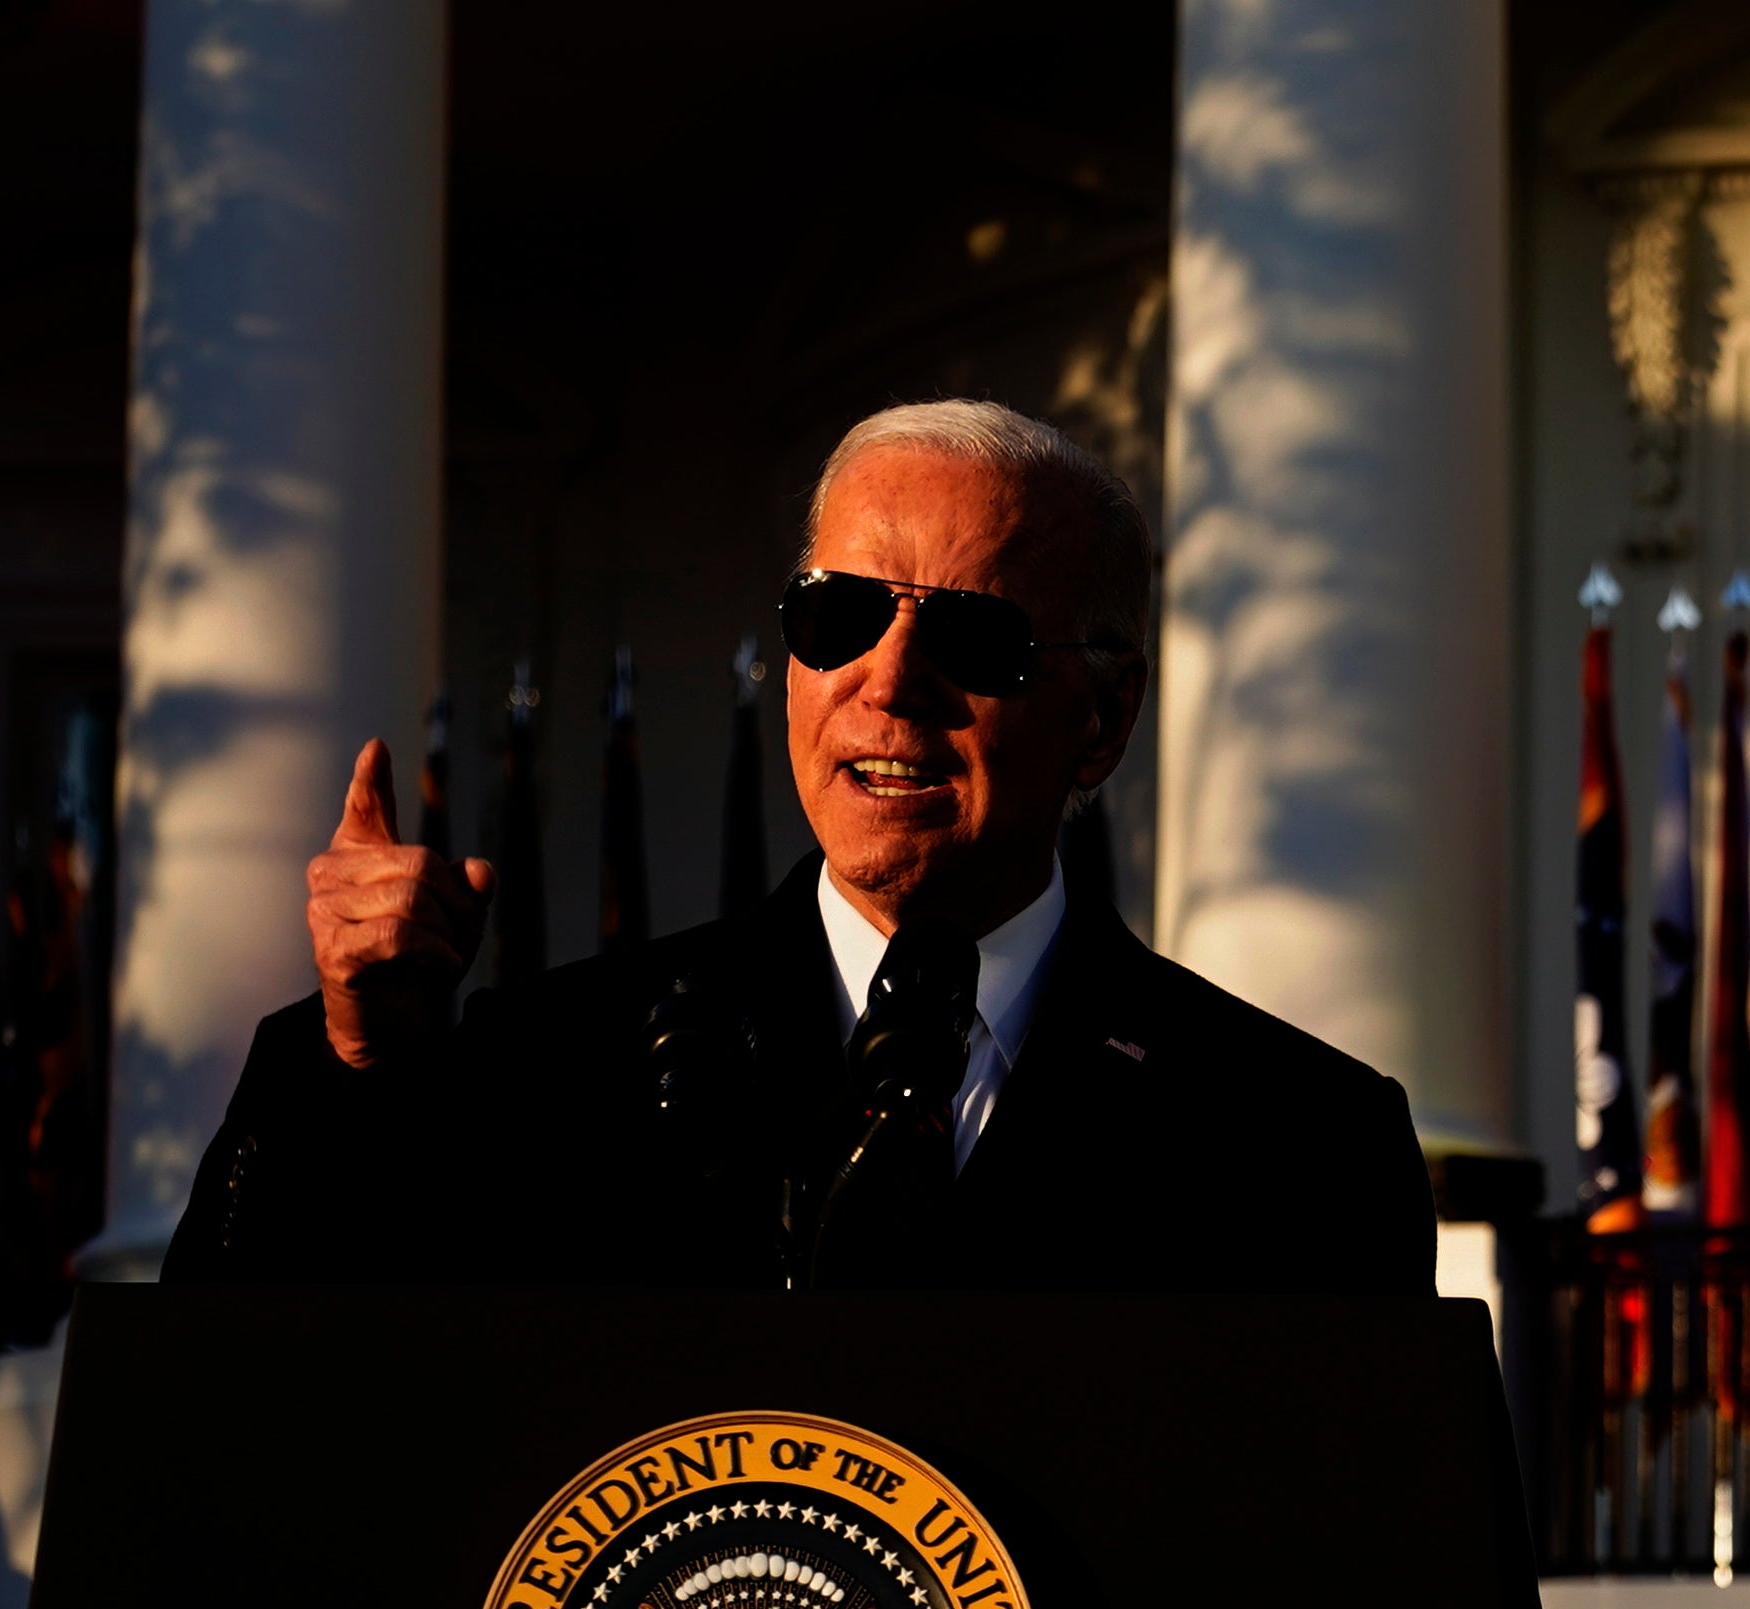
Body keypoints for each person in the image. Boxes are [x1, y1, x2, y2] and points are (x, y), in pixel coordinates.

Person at [168, 398, 1428, 1300]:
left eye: (976, 639)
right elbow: (249, 1407)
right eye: (840, 616)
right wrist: (355, 1067)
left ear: (1101, 719)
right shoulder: (552, 1072)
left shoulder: (1300, 1143)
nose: (890, 680)